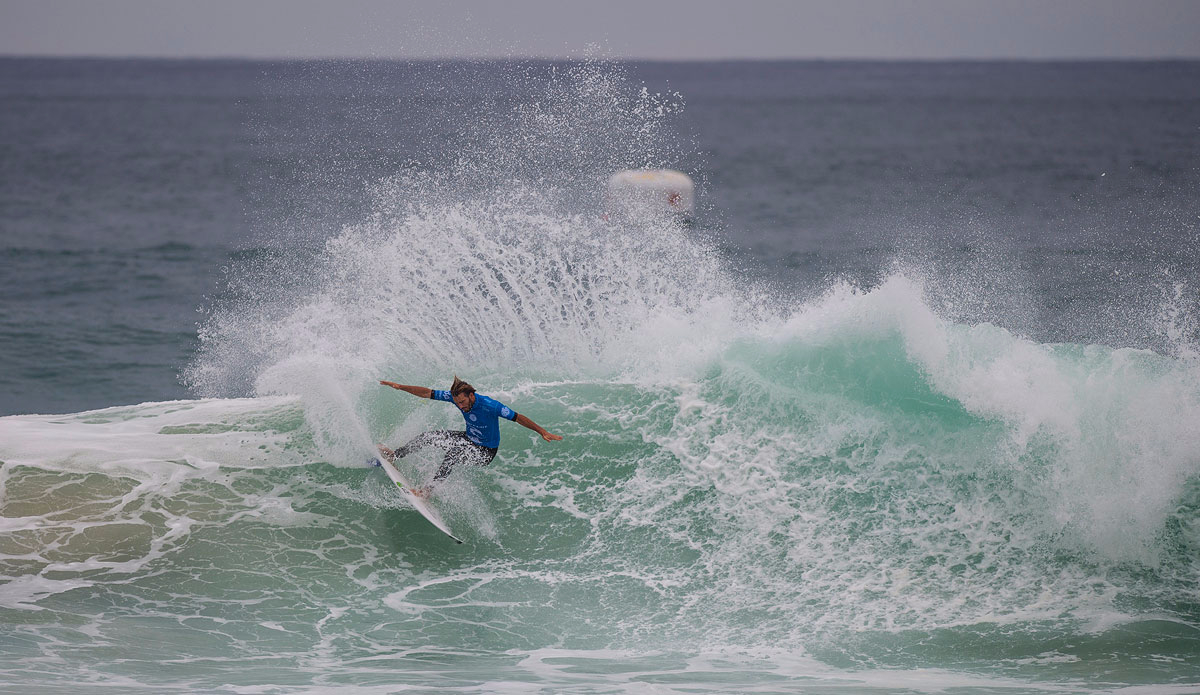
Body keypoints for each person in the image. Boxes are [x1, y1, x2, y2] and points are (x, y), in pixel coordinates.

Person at [377, 376, 562, 496]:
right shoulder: (455, 397)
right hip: (468, 438)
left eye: (463, 402)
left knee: (453, 454)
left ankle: (428, 491)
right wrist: (400, 386)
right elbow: (427, 392)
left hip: (486, 451)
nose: (461, 406)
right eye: (458, 402)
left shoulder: (491, 406)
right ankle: (395, 456)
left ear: (471, 395)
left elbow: (518, 417)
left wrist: (542, 432)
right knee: (428, 437)